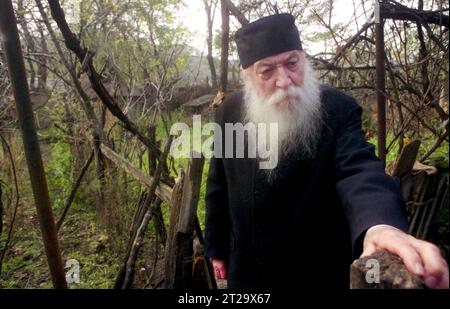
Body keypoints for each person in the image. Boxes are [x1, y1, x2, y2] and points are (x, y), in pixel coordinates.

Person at [204, 13, 449, 289]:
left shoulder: (338, 109)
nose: (284, 81)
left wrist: (380, 225)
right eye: (267, 71)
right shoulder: (229, 112)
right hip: (248, 272)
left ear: (304, 61)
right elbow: (219, 183)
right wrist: (217, 248)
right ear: (249, 76)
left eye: (291, 64)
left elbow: (359, 170)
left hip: (316, 272)